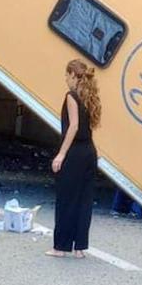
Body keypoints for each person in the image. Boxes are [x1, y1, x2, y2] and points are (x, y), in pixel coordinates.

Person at [47, 59, 101, 259]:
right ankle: (79, 247)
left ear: (72, 75)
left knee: (66, 199)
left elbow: (74, 126)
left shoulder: (71, 96)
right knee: (83, 201)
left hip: (75, 153)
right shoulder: (89, 97)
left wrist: (61, 154)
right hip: (89, 152)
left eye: (66, 75)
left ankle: (60, 247)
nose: (65, 79)